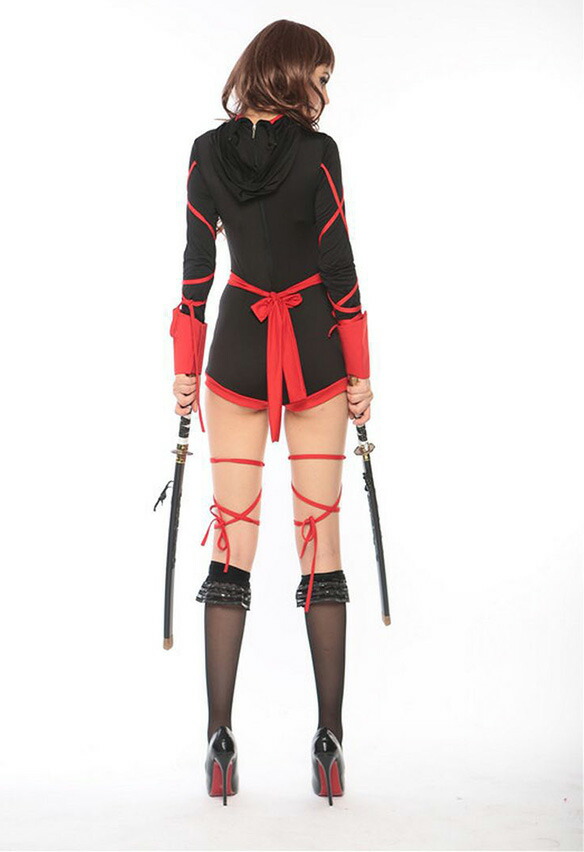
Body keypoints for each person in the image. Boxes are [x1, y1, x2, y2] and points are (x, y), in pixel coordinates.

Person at [169, 19, 373, 804]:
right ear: (291, 75)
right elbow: (339, 267)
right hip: (317, 354)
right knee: (321, 543)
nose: (325, 92)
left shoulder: (204, 151)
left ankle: (219, 742)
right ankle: (330, 743)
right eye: (320, 76)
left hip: (234, 355)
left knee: (232, 544)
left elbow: (196, 268)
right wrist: (360, 373)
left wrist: (184, 368)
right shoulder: (320, 154)